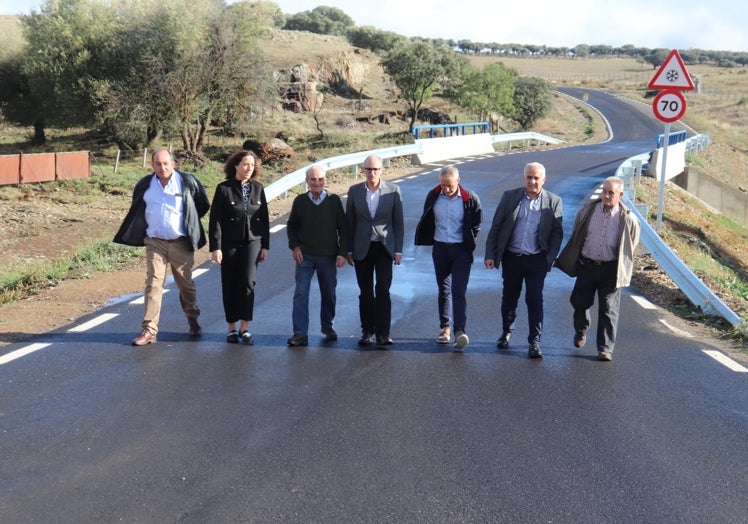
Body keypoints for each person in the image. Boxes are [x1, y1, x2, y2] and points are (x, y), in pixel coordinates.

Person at [114, 148, 210, 346]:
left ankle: (192, 317)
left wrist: (188, 223)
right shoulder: (145, 185)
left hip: (180, 242)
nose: (162, 167)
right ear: (152, 166)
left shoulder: (187, 182)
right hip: (155, 241)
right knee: (154, 283)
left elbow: (202, 204)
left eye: (166, 163)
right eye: (158, 164)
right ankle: (149, 329)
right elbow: (138, 208)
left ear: (173, 164)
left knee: (185, 285)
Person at [555, 176, 641, 362]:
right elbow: (578, 234)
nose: (607, 195)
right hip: (587, 266)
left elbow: (630, 244)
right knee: (579, 302)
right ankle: (581, 329)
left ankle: (605, 348)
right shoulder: (587, 211)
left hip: (610, 269)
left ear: (620, 195)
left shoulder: (628, 219)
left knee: (608, 310)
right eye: (604, 191)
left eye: (611, 193)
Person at [484, 162, 563, 359]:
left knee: (534, 299)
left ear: (544, 180)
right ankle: (506, 331)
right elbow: (496, 226)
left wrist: (549, 259)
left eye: (536, 178)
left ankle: (534, 341)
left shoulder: (553, 201)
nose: (532, 181)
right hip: (512, 258)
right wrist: (490, 254)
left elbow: (556, 234)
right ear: (524, 178)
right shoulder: (510, 197)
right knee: (509, 298)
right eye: (529, 177)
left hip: (537, 259)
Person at [415, 165, 482, 350]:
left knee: (458, 290)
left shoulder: (470, 198)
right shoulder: (434, 196)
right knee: (443, 289)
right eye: (443, 185)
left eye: (450, 185)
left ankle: (460, 331)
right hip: (440, 248)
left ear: (458, 181)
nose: (446, 189)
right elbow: (427, 217)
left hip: (461, 249)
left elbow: (477, 223)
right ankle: (445, 328)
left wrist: (469, 241)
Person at [208, 150, 270, 345]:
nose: (248, 168)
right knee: (230, 283)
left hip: (252, 242)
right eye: (245, 164)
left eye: (252, 165)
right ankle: (231, 328)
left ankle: (245, 327)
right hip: (229, 243)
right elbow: (215, 220)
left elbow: (264, 219)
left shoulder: (258, 188)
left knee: (248, 283)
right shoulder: (223, 189)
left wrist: (265, 246)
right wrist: (215, 247)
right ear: (235, 165)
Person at [286, 165, 348, 347]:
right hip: (305, 256)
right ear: (307, 181)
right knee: (301, 293)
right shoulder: (300, 201)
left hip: (328, 256)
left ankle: (327, 326)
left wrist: (342, 252)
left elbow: (343, 228)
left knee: (329, 293)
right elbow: (291, 226)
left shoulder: (334, 201)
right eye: (313, 179)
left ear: (325, 180)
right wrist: (295, 247)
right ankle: (300, 334)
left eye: (320, 179)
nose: (317, 183)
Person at [346, 154, 404, 346]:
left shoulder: (393, 191)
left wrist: (398, 250)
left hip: (384, 247)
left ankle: (383, 333)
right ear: (363, 170)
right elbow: (350, 223)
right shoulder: (354, 191)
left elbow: (398, 223)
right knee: (365, 291)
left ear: (382, 170)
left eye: (375, 169)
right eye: (368, 169)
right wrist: (347, 250)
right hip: (362, 248)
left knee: (383, 290)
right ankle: (367, 330)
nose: (372, 173)